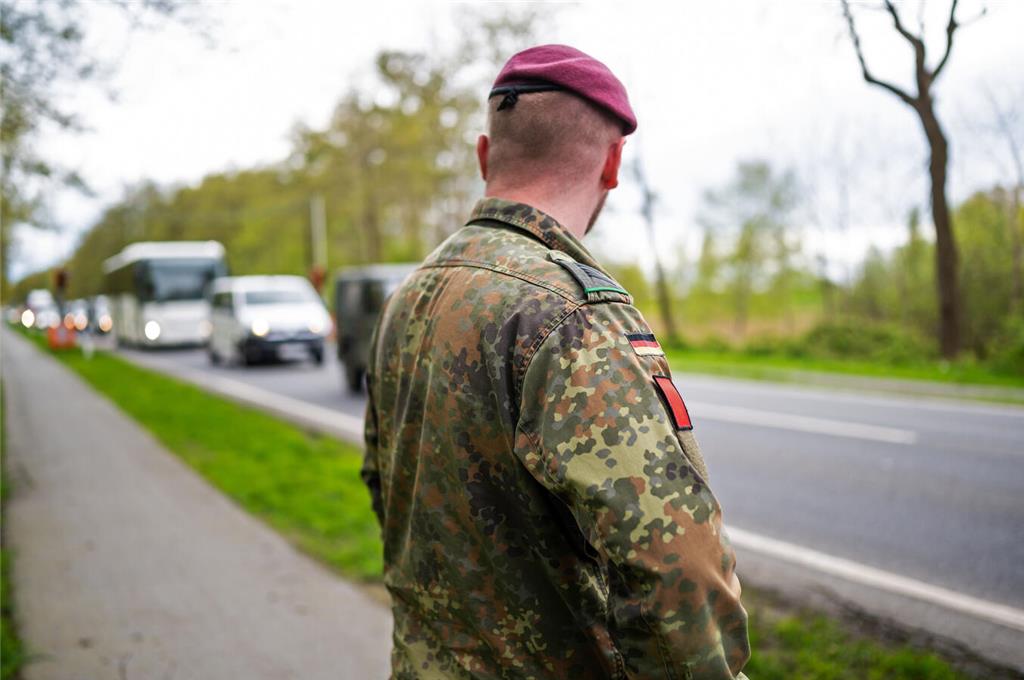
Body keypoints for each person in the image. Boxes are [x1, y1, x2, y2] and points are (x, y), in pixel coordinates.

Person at [362, 44, 750, 679]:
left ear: (486, 154)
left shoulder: (409, 296)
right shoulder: (572, 316)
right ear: (613, 162)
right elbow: (674, 566)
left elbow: (388, 489)